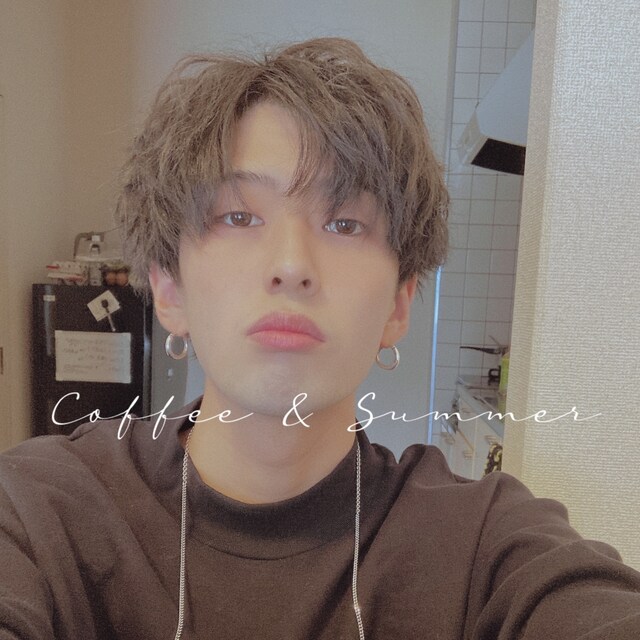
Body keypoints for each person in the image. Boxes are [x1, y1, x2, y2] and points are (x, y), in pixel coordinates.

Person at [1, 38, 639, 640]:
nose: (291, 265)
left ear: (397, 304)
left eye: (345, 223)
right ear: (169, 288)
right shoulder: (39, 512)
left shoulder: (486, 546)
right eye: (239, 216)